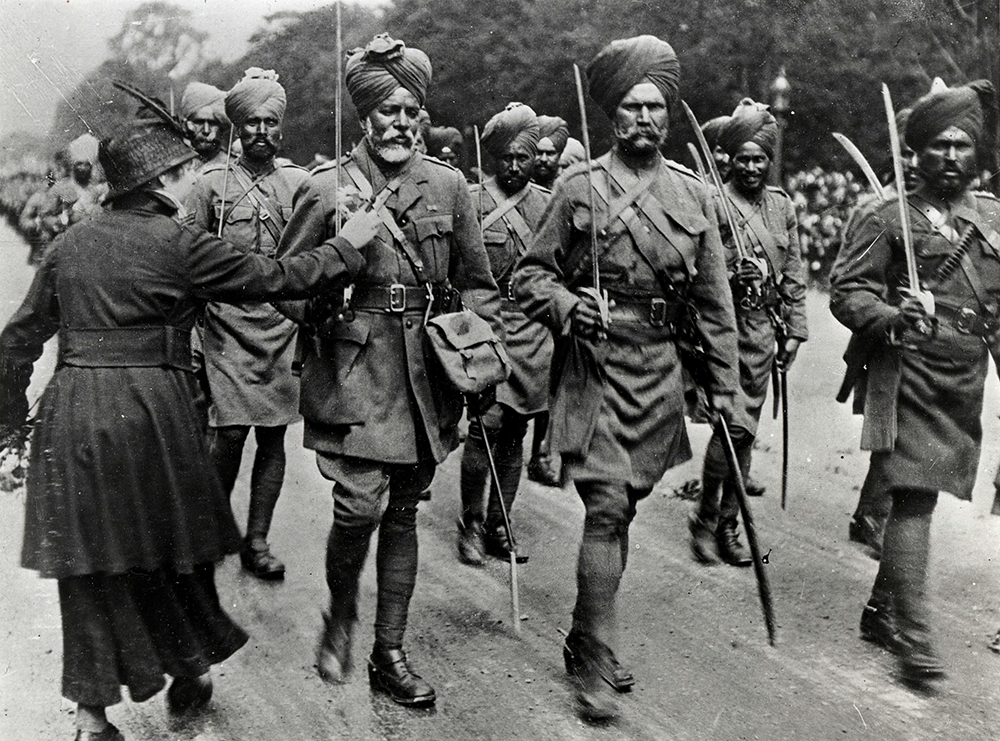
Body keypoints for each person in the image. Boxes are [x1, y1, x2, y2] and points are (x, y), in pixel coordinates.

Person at [0, 110, 378, 741]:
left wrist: (9, 425)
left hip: (72, 416)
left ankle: (93, 721)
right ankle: (187, 669)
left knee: (88, 563)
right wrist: (349, 244)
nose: (190, 182)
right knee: (179, 548)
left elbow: (15, 343)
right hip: (154, 410)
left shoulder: (68, 245)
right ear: (167, 179)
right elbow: (276, 279)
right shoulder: (180, 245)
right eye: (184, 174)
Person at [513, 35, 739, 721]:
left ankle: (586, 631)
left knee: (627, 506)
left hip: (659, 372)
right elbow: (529, 274)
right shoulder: (579, 188)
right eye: (632, 107)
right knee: (606, 507)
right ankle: (599, 659)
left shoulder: (693, 194)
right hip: (593, 369)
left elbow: (714, 303)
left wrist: (726, 387)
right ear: (611, 116)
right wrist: (566, 303)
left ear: (669, 114)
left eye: (656, 107)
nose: (644, 118)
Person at [276, 33, 503, 708]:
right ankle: (341, 608)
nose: (402, 124)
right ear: (366, 116)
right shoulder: (326, 188)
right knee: (358, 507)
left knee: (402, 512)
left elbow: (477, 282)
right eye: (389, 111)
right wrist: (338, 268)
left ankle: (389, 650)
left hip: (425, 373)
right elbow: (286, 285)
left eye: (412, 112)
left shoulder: (450, 185)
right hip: (353, 370)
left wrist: (480, 344)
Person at [830, 79, 999, 685]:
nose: (952, 157)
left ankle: (881, 611)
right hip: (907, 369)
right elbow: (848, 292)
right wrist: (891, 315)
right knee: (913, 495)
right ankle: (915, 638)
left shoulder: (993, 221)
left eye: (962, 146)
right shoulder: (886, 215)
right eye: (939, 146)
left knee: (922, 490)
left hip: (964, 377)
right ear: (917, 153)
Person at [184, 69, 309, 581]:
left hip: (281, 324)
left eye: (270, 122)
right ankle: (213, 526)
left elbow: (318, 251)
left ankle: (257, 539)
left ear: (280, 128)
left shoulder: (300, 184)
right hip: (225, 323)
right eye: (252, 122)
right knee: (230, 432)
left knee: (274, 437)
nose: (261, 130)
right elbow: (185, 257)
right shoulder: (211, 185)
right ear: (237, 126)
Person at [689, 99, 808, 567]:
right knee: (731, 425)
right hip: (723, 327)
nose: (752, 167)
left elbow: (794, 274)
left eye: (760, 159)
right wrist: (727, 276)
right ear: (731, 160)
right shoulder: (714, 203)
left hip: (762, 332)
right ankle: (710, 522)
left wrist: (794, 329)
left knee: (745, 430)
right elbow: (695, 263)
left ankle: (725, 522)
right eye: (744, 159)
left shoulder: (782, 208)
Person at [458, 102, 551, 565]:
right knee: (484, 428)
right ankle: (470, 524)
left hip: (533, 330)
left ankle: (500, 522)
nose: (514, 166)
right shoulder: (472, 201)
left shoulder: (548, 205)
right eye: (506, 157)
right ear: (493, 156)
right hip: (487, 324)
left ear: (535, 159)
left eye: (524, 158)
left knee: (515, 430)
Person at [842, 105, 920, 560]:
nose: (913, 164)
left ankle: (872, 511)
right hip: (885, 335)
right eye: (906, 154)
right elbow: (853, 280)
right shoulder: (876, 209)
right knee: (890, 427)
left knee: (910, 428)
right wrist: (888, 310)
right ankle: (872, 515)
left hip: (929, 337)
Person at [180, 81, 230, 169]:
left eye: (213, 123)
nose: (206, 131)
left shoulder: (231, 166)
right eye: (199, 122)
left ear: (222, 127)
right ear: (186, 125)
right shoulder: (179, 167)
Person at [532, 115, 570, 190]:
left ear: (559, 155)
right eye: (539, 152)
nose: (543, 159)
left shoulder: (567, 188)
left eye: (550, 153)